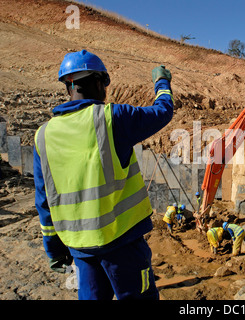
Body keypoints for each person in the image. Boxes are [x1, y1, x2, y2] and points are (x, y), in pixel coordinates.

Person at [33, 49, 173, 300]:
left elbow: (44, 200)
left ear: (68, 86)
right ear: (99, 83)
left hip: (80, 249)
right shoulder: (112, 118)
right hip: (123, 245)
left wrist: (54, 249)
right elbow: (163, 111)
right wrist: (161, 82)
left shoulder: (43, 135)